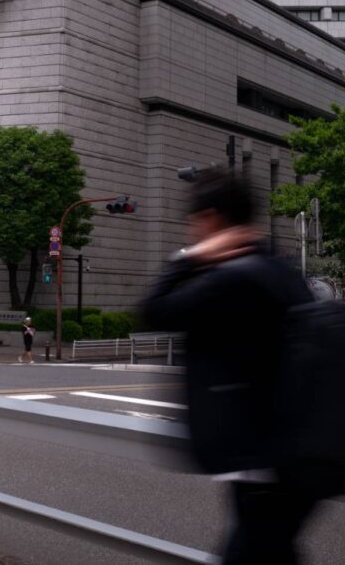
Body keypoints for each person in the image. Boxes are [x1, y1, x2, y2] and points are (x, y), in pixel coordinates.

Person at [140, 170, 318, 565]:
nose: (192, 232)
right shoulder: (280, 269)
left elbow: (155, 310)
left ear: (211, 218)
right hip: (297, 453)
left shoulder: (233, 277)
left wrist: (190, 258)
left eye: (194, 223)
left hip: (265, 461)